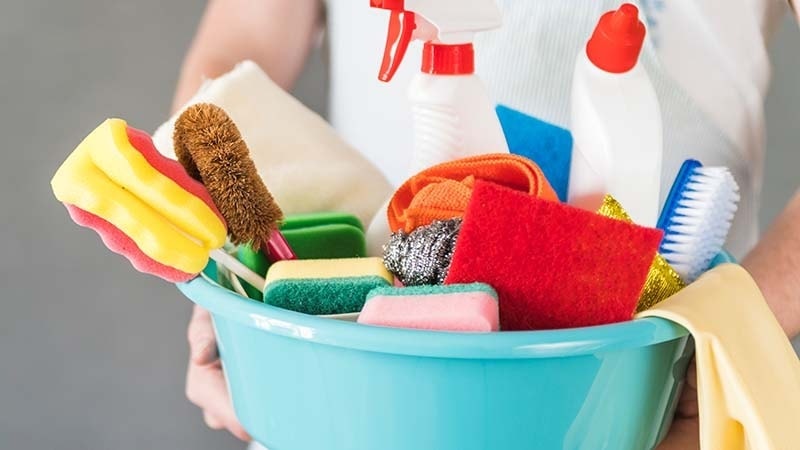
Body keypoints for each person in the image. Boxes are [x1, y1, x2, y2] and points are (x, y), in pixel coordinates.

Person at [176, 1, 800, 448]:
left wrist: (722, 347)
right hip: (349, 395)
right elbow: (241, 44)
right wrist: (223, 292)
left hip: (636, 399)